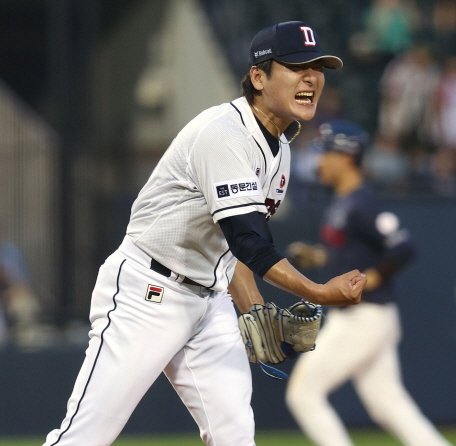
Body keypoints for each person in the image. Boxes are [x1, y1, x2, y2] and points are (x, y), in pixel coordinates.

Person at [43, 21, 366, 446]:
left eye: (318, 67)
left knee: (234, 435)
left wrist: (254, 309)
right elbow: (249, 240)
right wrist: (318, 292)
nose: (311, 77)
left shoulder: (281, 149)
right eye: (296, 66)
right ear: (258, 76)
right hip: (148, 292)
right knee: (85, 437)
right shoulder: (224, 133)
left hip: (209, 302)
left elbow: (234, 251)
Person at [285, 120, 452, 446]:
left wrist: (368, 278)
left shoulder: (362, 202)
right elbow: (355, 256)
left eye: (325, 152)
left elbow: (403, 247)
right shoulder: (343, 201)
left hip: (363, 319)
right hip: (369, 318)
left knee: (304, 394)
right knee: (388, 405)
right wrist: (321, 257)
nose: (319, 161)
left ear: (345, 157)